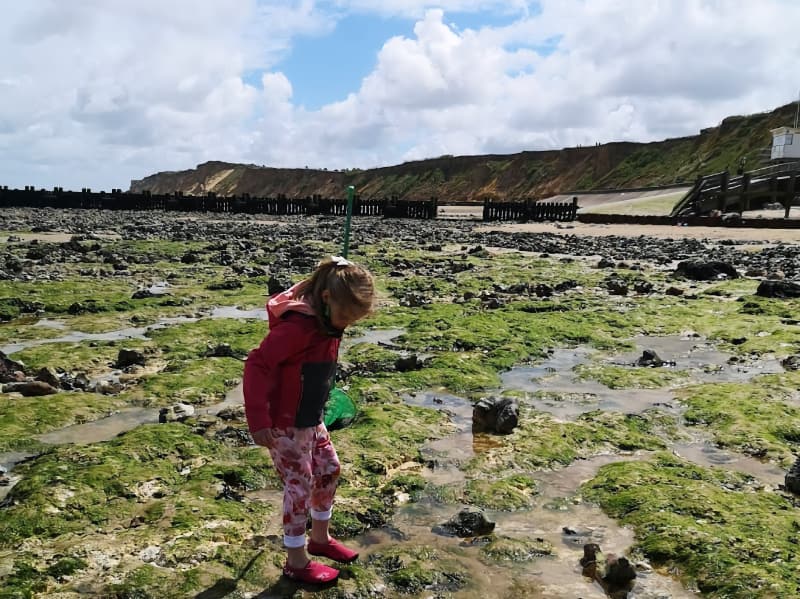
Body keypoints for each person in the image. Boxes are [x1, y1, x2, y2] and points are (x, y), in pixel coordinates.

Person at [243, 256, 375, 584]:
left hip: (310, 417)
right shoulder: (298, 327)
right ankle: (296, 561)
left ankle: (319, 539)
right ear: (327, 299)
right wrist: (258, 421)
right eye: (345, 316)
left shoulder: (329, 321)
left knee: (329, 470)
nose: (345, 325)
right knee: (298, 485)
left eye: (353, 321)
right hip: (283, 423)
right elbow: (256, 365)